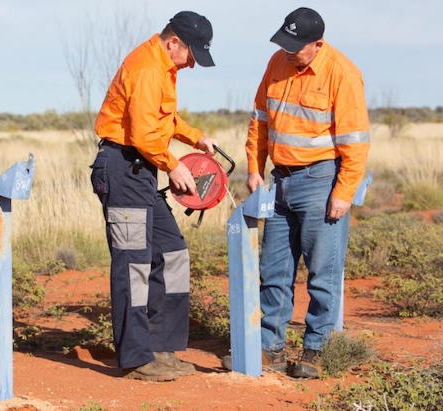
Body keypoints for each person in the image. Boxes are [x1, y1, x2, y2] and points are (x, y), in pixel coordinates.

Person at [223, 7, 370, 379]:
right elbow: (259, 121)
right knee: (274, 270)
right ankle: (269, 348)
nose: (288, 51)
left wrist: (344, 191)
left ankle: (317, 349)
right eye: (284, 43)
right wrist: (254, 170)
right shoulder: (277, 62)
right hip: (279, 182)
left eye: (296, 46)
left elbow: (355, 142)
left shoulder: (343, 73)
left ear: (318, 44)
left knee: (322, 272)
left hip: (322, 181)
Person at [89, 11, 218, 381]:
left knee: (172, 252)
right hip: (123, 167)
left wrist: (197, 137)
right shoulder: (146, 67)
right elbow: (146, 135)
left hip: (142, 170)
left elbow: (165, 120)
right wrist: (173, 165)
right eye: (191, 54)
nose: (192, 63)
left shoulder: (165, 68)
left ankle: (162, 347)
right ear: (173, 41)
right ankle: (135, 359)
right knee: (133, 264)